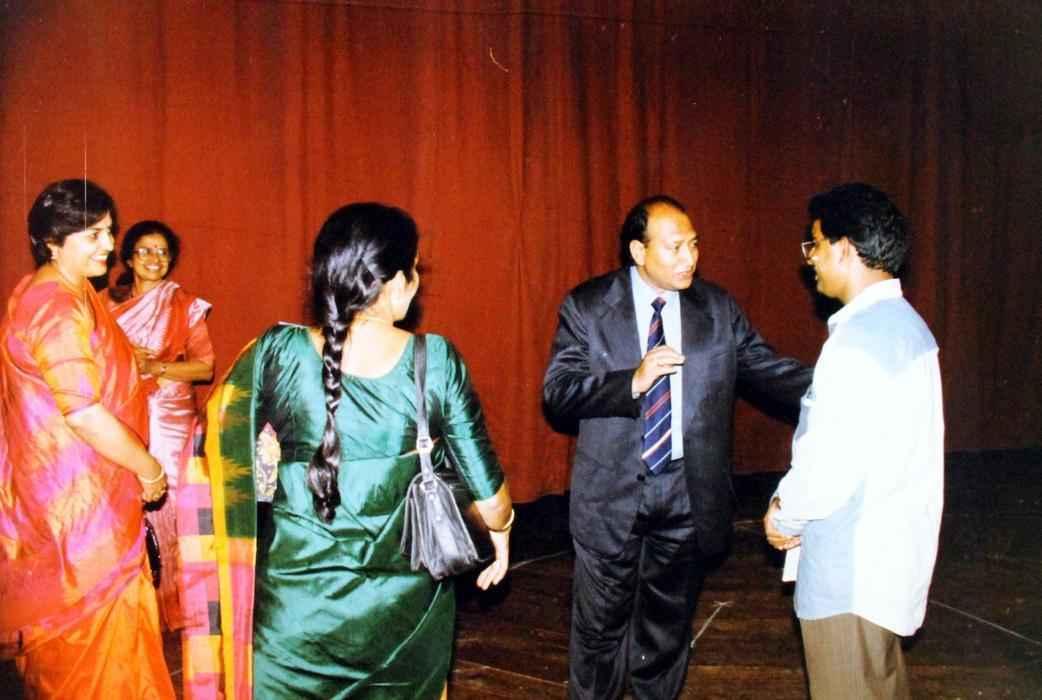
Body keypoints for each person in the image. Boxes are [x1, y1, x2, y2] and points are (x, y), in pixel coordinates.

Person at [178, 202, 513, 699]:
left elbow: (215, 441)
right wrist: (502, 534)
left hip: (294, 616)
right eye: (415, 269)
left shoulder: (276, 350)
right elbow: (492, 502)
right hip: (402, 620)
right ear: (395, 282)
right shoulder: (436, 360)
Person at [543, 195, 812, 699]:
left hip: (687, 494)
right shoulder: (588, 306)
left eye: (694, 244)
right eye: (675, 247)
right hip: (610, 495)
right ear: (638, 252)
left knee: (665, 632)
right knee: (599, 633)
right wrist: (632, 381)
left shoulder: (717, 308)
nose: (690, 257)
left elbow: (768, 369)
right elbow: (558, 392)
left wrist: (839, 387)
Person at [764, 183, 944, 699]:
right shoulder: (907, 327)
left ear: (844, 248)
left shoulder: (858, 341)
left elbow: (829, 467)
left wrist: (783, 515)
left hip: (852, 577)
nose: (810, 259)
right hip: (886, 569)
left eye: (815, 244)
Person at [0, 180, 175, 697]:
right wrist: (148, 468)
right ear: (52, 241)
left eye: (109, 231)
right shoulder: (53, 303)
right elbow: (82, 412)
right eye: (94, 234)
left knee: (112, 641)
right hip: (75, 506)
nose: (109, 245)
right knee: (86, 644)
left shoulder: (73, 291)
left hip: (93, 489)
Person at [102, 220, 215, 630]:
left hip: (170, 418)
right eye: (145, 251)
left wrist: (156, 367)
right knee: (120, 504)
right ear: (129, 258)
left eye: (163, 252)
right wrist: (124, 358)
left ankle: (177, 609)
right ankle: (128, 607)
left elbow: (205, 367)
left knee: (173, 505)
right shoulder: (102, 305)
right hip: (119, 413)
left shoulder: (183, 304)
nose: (155, 258)